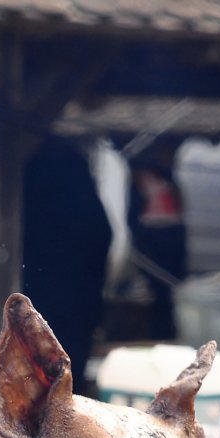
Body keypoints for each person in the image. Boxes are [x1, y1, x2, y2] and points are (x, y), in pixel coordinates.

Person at [21, 136, 114, 396]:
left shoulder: (50, 176)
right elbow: (101, 234)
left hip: (57, 293)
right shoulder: (68, 175)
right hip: (70, 296)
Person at [127, 139, 188, 342]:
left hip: (171, 234)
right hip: (152, 236)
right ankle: (157, 333)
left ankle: (169, 332)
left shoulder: (168, 177)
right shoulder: (139, 178)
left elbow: (179, 207)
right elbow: (134, 213)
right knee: (157, 290)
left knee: (171, 289)